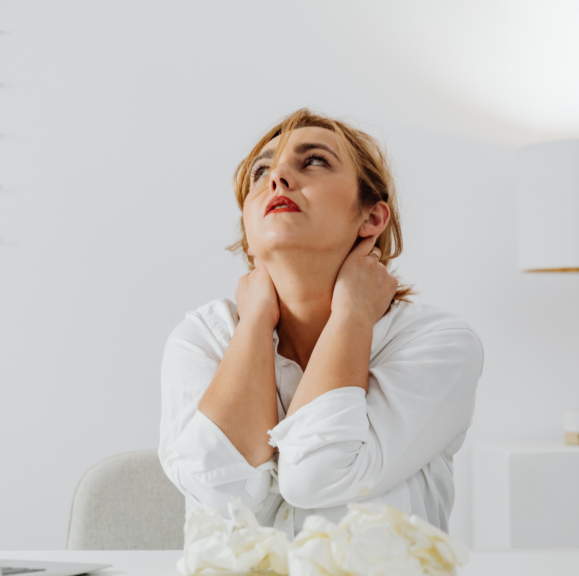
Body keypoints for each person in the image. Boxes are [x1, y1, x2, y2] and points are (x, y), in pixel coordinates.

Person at [158, 108, 482, 537]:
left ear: (371, 218)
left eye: (313, 161)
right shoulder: (203, 338)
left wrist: (352, 313)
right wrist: (255, 319)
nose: (278, 178)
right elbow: (220, 494)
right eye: (261, 171)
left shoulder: (438, 345)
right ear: (247, 229)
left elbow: (317, 475)